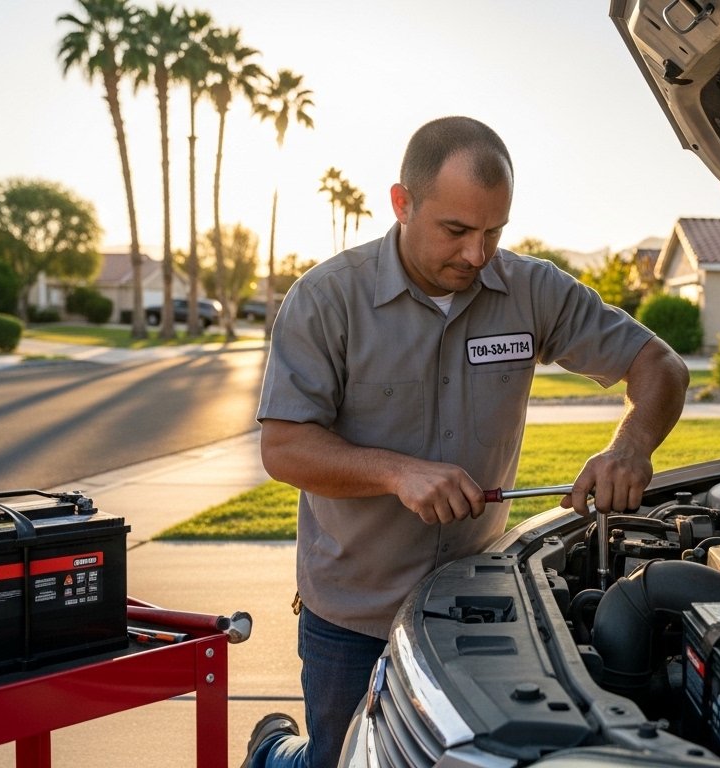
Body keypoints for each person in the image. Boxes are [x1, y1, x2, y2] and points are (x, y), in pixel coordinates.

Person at [245, 115, 689, 768]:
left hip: (478, 607)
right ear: (402, 204)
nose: (477, 256)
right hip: (353, 613)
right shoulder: (325, 299)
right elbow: (284, 448)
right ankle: (274, 754)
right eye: (456, 231)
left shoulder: (533, 290)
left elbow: (662, 366)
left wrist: (630, 444)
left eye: (493, 232)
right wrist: (398, 473)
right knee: (337, 763)